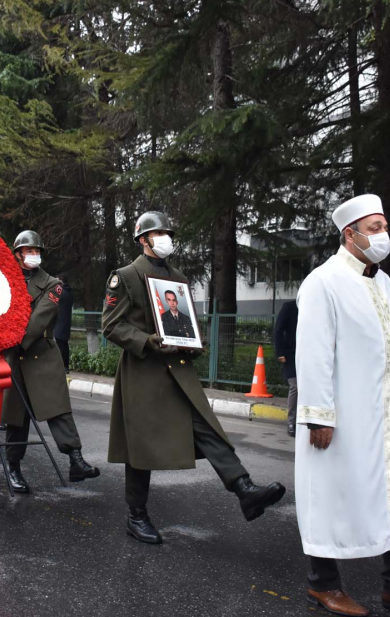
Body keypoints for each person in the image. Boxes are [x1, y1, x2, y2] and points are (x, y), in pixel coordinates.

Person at [294, 194, 390, 616]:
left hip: (381, 414)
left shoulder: (383, 283)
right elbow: (313, 353)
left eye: (385, 226)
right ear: (350, 234)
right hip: (339, 415)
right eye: (375, 228)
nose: (384, 235)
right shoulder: (322, 282)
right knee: (329, 492)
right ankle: (322, 585)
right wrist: (318, 415)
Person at [103, 211, 286, 545]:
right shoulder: (126, 276)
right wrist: (147, 341)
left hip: (180, 371)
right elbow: (112, 326)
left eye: (167, 233)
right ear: (143, 239)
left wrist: (195, 341)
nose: (165, 239)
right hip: (144, 373)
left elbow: (184, 320)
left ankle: (244, 489)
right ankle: (136, 516)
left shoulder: (177, 276)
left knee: (207, 428)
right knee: (139, 447)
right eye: (158, 233)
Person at [1, 230, 99, 492]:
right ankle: (13, 468)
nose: (34, 255)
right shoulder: (4, 281)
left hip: (41, 351)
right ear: (18, 254)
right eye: (29, 251)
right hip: (14, 357)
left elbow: (38, 320)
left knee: (58, 407)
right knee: (16, 416)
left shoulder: (52, 284)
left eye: (37, 251)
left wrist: (9, 338)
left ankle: (75, 459)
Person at [272, 299, 298, 437]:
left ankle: (303, 420)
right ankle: (291, 422)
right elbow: (278, 330)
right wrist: (279, 352)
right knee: (295, 385)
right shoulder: (289, 307)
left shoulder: (314, 307)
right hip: (291, 354)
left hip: (309, 354)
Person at [53, 274, 73, 373]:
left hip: (61, 322)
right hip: (64, 322)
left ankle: (63, 367)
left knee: (61, 345)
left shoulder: (62, 293)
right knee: (63, 344)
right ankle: (65, 366)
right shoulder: (68, 292)